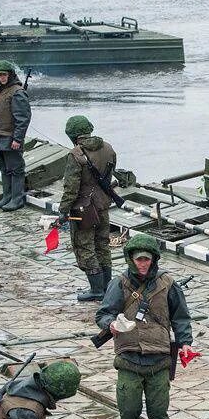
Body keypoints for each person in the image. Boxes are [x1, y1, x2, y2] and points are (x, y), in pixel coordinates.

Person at [97, 233, 194, 419]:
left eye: (147, 260)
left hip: (159, 358)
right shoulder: (119, 283)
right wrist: (111, 324)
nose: (143, 264)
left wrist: (184, 343)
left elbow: (180, 317)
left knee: (158, 410)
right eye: (139, 259)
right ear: (131, 259)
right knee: (128, 408)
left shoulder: (168, 284)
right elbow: (104, 313)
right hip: (129, 357)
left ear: (154, 260)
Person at [58, 115, 117, 302]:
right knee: (102, 244)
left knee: (85, 247)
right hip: (103, 205)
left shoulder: (75, 155)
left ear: (73, 135)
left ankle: (96, 289)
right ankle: (107, 287)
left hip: (83, 209)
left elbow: (71, 188)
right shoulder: (108, 148)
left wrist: (63, 210)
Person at [0, 61, 31, 211]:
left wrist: (17, 139)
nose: (2, 77)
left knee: (16, 169)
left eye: (4, 74)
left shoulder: (17, 92)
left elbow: (22, 118)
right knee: (3, 168)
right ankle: (7, 197)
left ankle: (17, 199)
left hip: (10, 137)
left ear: (10, 75)